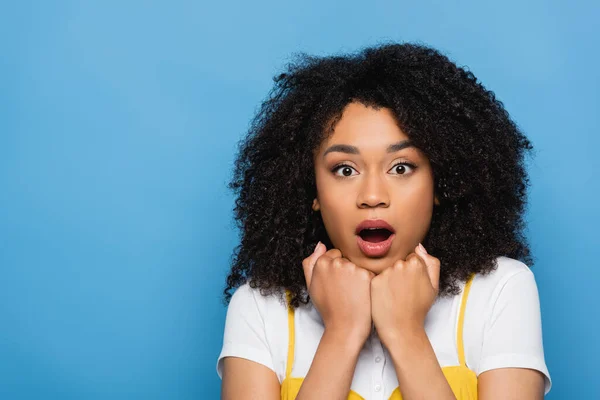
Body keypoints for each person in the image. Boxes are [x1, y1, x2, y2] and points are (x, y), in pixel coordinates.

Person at [216, 42, 552, 399]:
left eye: (401, 167)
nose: (373, 195)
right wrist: (342, 333)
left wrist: (406, 332)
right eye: (345, 170)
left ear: (440, 182)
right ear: (311, 188)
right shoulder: (259, 306)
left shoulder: (499, 289)